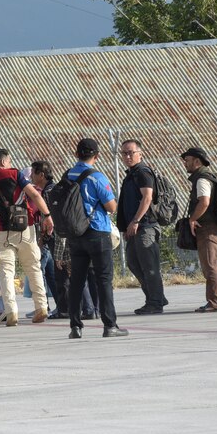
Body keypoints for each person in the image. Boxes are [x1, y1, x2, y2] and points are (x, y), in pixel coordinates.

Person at [0, 149, 54, 326]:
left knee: (5, 273)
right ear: (3, 162)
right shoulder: (15, 174)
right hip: (25, 227)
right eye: (9, 161)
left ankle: (11, 311)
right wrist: (47, 215)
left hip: (1, 233)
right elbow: (34, 194)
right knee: (33, 267)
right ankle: (41, 307)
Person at [65, 138, 127, 339]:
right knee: (103, 279)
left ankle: (75, 326)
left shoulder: (68, 175)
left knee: (76, 281)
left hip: (75, 234)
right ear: (97, 156)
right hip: (97, 232)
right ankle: (110, 325)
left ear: (76, 154)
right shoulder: (97, 177)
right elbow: (111, 207)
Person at [116, 139, 168, 314]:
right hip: (135, 227)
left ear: (140, 154)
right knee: (133, 262)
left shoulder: (143, 172)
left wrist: (136, 220)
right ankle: (156, 296)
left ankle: (155, 302)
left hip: (145, 226)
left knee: (149, 266)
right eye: (124, 153)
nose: (127, 156)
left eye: (131, 152)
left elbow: (147, 198)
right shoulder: (131, 174)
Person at [181, 147, 217, 313]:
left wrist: (193, 218)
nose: (185, 163)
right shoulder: (209, 177)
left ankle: (214, 302)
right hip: (216, 227)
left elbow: (204, 202)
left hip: (208, 228)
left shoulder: (202, 179)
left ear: (197, 161)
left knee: (210, 266)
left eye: (187, 160)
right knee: (216, 266)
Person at [28, 161, 59, 318]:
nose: (31, 176)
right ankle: (58, 305)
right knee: (51, 273)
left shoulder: (46, 192)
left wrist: (42, 238)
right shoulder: (50, 189)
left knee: (40, 271)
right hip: (49, 238)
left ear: (41, 174)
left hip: (49, 238)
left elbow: (48, 218)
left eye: (33, 173)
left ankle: (44, 306)